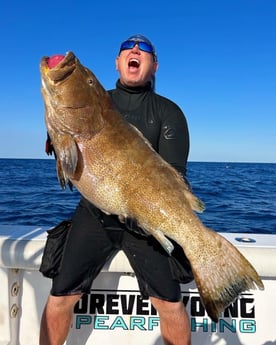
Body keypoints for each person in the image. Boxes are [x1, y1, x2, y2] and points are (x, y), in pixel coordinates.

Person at [40, 34, 193, 345]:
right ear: (117, 63)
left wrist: (147, 212)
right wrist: (58, 134)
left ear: (154, 66)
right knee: (60, 297)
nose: (135, 51)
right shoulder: (97, 99)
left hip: (145, 221)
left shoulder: (169, 112)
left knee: (171, 304)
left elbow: (175, 176)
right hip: (94, 213)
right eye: (127, 48)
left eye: (144, 49)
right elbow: (72, 161)